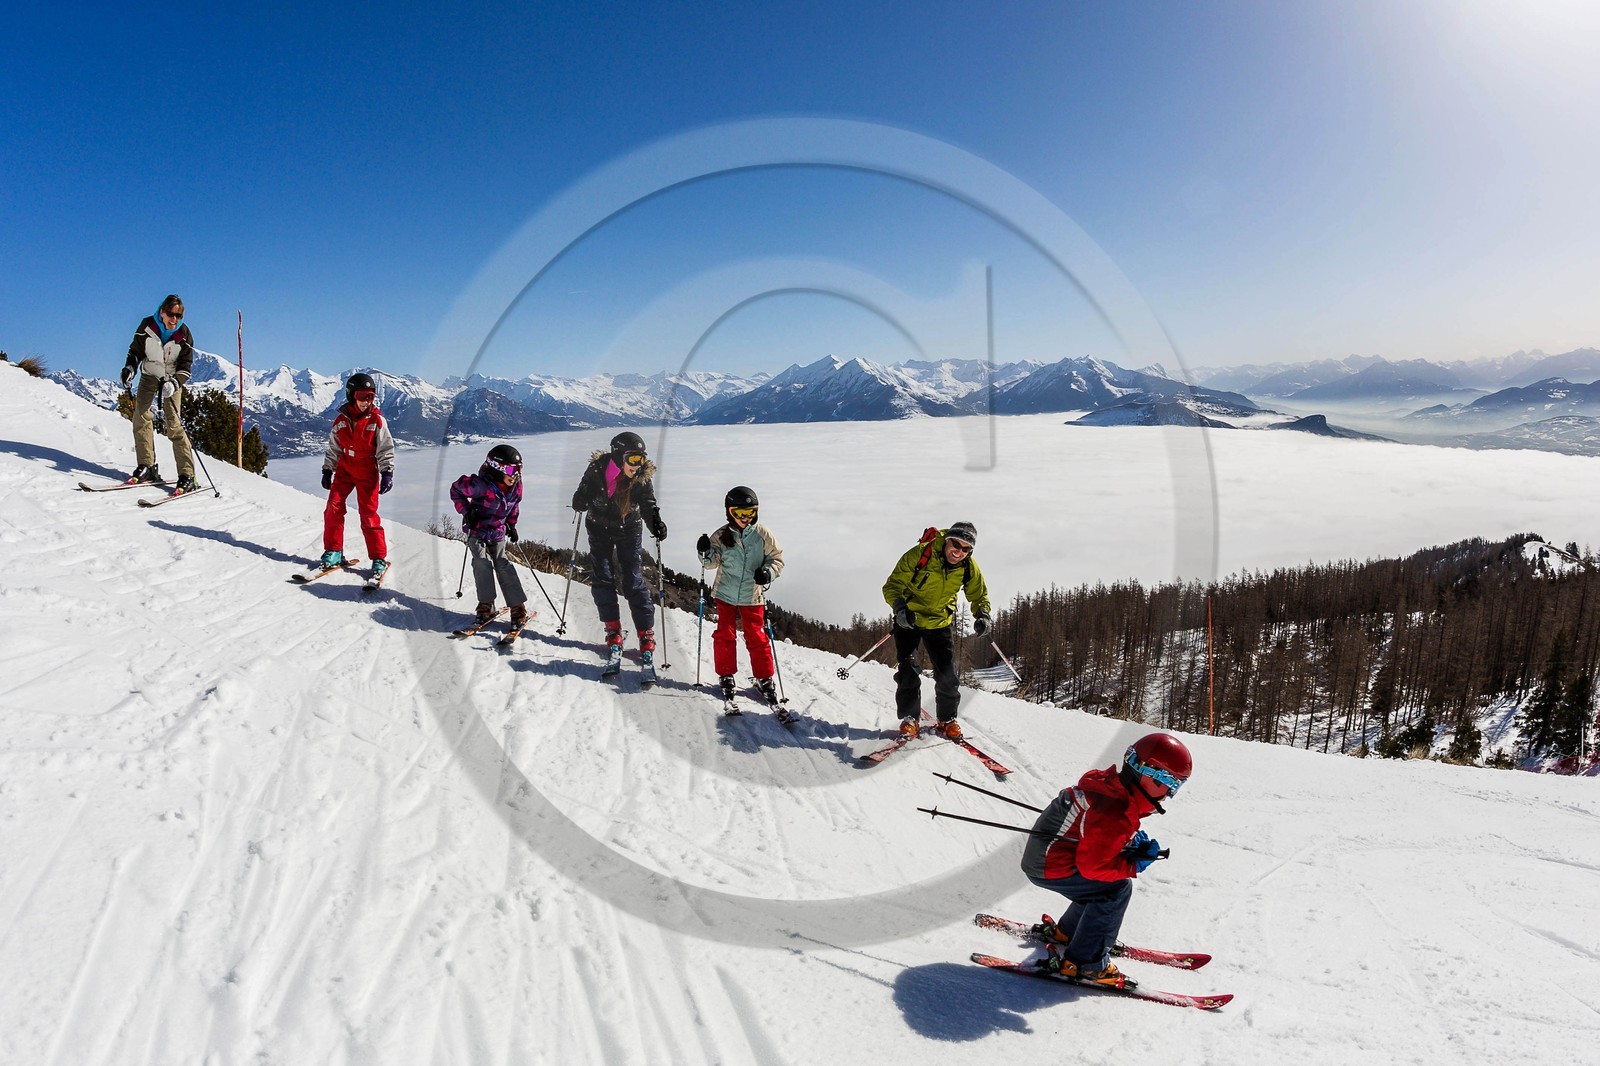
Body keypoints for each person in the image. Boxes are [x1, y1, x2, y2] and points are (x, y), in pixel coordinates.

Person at [1018, 732, 1192, 988]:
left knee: (1101, 888)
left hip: (1047, 857)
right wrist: (1132, 864)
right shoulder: (1116, 811)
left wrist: (1127, 844)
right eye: (1171, 783)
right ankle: (1086, 962)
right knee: (1116, 889)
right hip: (1048, 865)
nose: (1170, 793)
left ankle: (1069, 932)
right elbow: (1094, 867)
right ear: (1150, 775)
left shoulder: (1113, 789)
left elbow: (1093, 837)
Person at [881, 520, 990, 741]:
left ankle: (947, 719)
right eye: (955, 545)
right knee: (909, 671)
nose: (959, 552)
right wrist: (900, 609)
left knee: (948, 673)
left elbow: (978, 594)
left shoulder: (968, 566)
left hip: (940, 622)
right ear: (947, 540)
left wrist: (983, 615)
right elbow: (891, 586)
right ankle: (910, 719)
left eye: (966, 549)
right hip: (909, 621)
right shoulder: (921, 554)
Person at [570, 431, 667, 665]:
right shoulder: (596, 470)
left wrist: (654, 521)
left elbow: (647, 503)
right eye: (633, 459)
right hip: (599, 528)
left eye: (641, 459)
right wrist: (579, 500)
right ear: (617, 455)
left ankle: (646, 632)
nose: (638, 465)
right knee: (603, 577)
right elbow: (582, 492)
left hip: (628, 529)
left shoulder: (642, 476)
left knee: (632, 579)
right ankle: (612, 629)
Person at [696, 486, 785, 704]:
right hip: (725, 593)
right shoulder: (721, 535)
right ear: (729, 512)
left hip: (751, 596)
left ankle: (764, 677)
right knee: (725, 634)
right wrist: (704, 551)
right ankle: (726, 674)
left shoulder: (762, 535)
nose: (745, 518)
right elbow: (710, 563)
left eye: (750, 513)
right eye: (740, 513)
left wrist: (768, 572)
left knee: (757, 636)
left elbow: (777, 560)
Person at [319, 373, 395, 576]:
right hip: (345, 467)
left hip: (367, 469)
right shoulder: (341, 420)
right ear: (351, 395)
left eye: (370, 396)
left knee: (368, 515)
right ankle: (334, 551)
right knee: (333, 508)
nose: (366, 401)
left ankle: (378, 558)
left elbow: (385, 448)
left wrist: (387, 471)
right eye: (362, 396)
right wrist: (328, 469)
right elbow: (334, 448)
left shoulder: (377, 421)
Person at [120, 294, 197, 490]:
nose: (175, 320)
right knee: (141, 417)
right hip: (149, 375)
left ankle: (187, 475)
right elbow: (135, 351)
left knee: (174, 424)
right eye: (171, 314)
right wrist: (130, 368)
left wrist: (176, 382)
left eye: (179, 316)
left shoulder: (184, 334)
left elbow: (186, 366)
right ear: (162, 312)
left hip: (171, 380)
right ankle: (147, 466)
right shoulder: (147, 326)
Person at [450, 444, 529, 627]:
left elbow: (514, 505)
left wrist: (511, 524)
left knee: (502, 563)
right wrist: (466, 511)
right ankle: (486, 604)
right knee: (481, 562)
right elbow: (456, 489)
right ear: (497, 468)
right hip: (476, 529)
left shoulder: (516, 486)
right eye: (511, 469)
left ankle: (517, 606)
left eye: (519, 469)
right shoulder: (480, 485)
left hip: (498, 531)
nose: (516, 474)